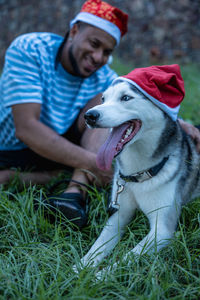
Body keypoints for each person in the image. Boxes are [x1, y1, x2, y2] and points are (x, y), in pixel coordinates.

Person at [0, 0, 129, 227]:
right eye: (94, 43)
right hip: (11, 147)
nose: (98, 57)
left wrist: (179, 122)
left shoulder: (106, 77)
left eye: (106, 52)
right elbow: (26, 128)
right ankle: (52, 174)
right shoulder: (31, 48)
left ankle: (73, 195)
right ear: (74, 31)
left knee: (108, 100)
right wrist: (95, 164)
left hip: (60, 147)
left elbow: (136, 105)